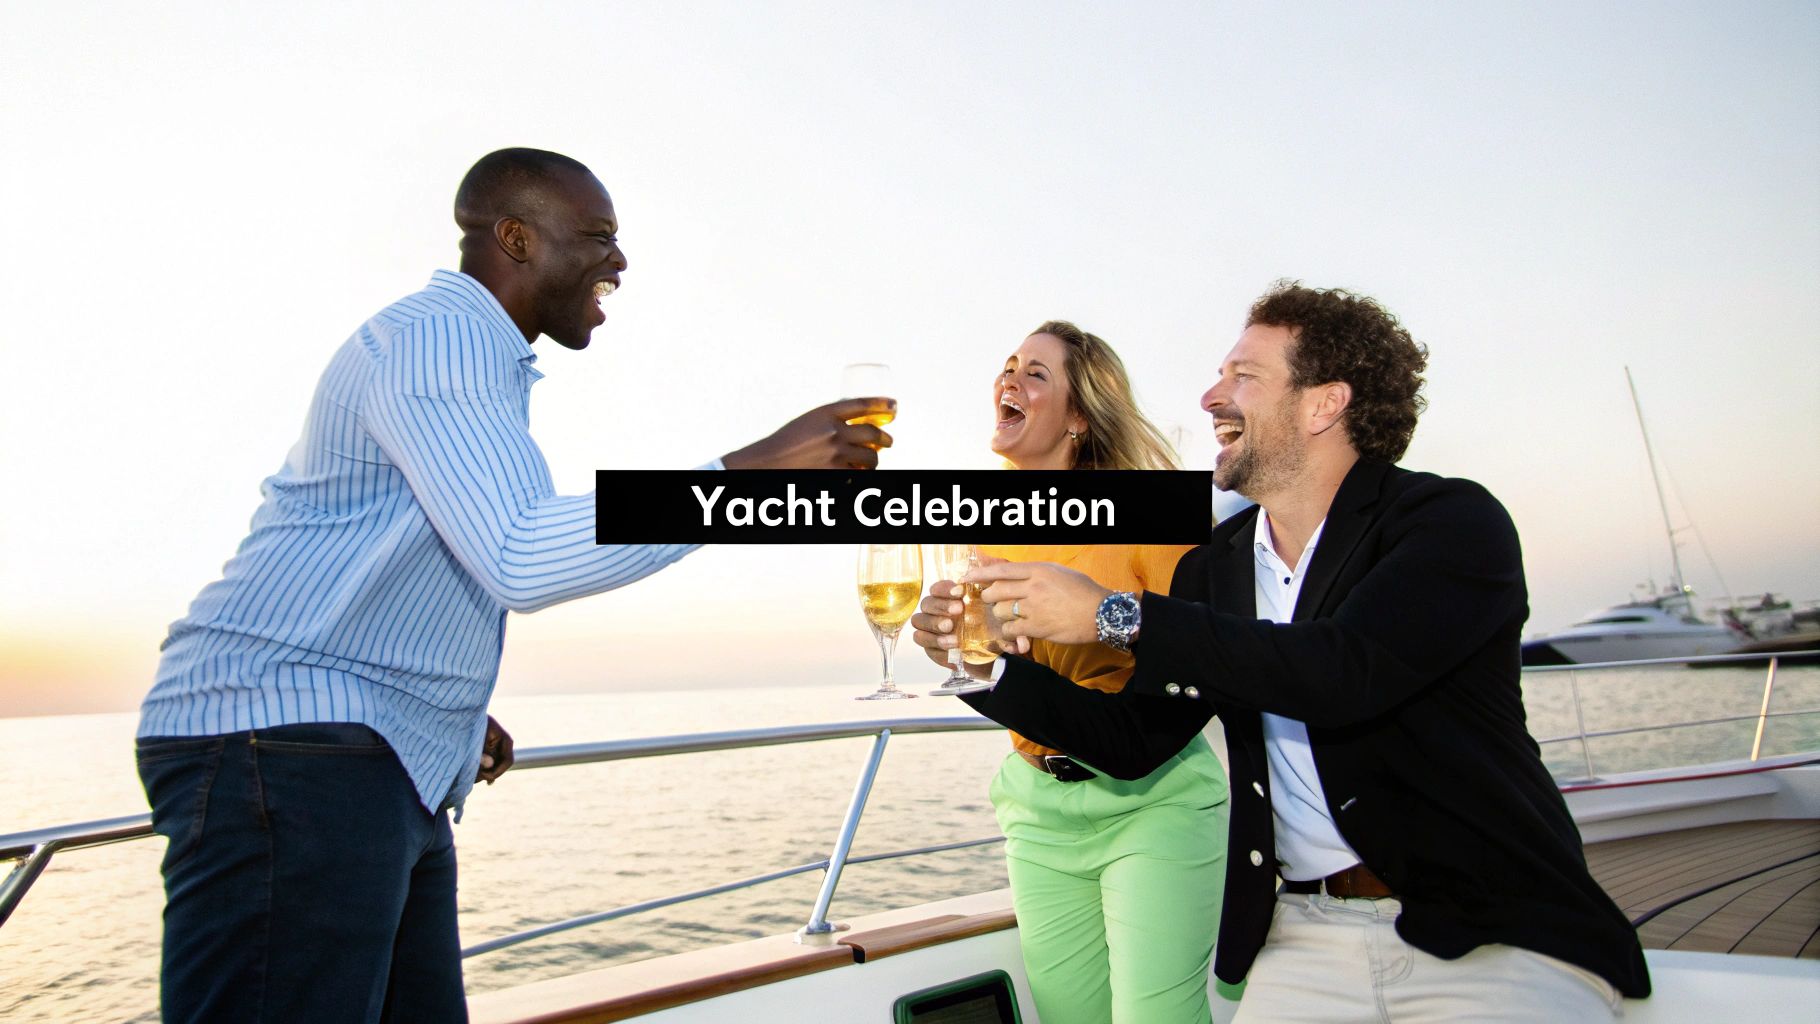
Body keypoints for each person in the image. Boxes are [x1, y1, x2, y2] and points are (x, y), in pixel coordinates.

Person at [134, 148, 893, 1023]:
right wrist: (744, 473)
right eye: (599, 236)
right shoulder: (440, 339)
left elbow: (417, 547)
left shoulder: (475, 361)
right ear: (517, 238)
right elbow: (519, 552)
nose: (619, 261)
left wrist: (446, 710)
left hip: (374, 751)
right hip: (289, 749)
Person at [913, 282, 1650, 1022]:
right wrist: (986, 668)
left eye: (1243, 376)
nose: (1210, 396)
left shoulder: (1450, 524)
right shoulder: (1216, 568)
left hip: (1496, 937)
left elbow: (1342, 671)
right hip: (1303, 941)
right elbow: (1135, 744)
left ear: (1322, 404)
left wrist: (1112, 614)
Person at [934, 321, 1228, 1023]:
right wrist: (963, 655)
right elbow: (1009, 684)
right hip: (1037, 808)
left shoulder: (1157, 519)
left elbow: (1192, 668)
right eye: (1008, 366)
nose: (1010, 379)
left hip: (1154, 803)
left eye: (1036, 373)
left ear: (1078, 417)